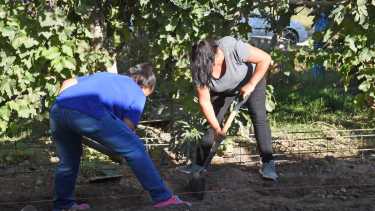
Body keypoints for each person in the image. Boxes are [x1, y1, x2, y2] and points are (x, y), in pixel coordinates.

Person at [49, 63, 190, 211]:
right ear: (144, 87)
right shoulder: (138, 94)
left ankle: (63, 205)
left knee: (69, 161)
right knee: (135, 148)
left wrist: (69, 111)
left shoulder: (104, 76)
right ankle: (164, 198)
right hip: (90, 111)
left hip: (58, 109)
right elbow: (127, 128)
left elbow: (67, 83)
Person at [178, 36, 278, 181]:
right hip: (224, 90)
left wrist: (251, 84)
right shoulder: (199, 68)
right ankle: (198, 165)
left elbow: (265, 58)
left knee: (259, 117)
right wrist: (217, 128)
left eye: (208, 66)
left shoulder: (232, 47)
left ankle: (268, 163)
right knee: (213, 122)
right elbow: (205, 102)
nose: (206, 71)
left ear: (216, 55)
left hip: (250, 81)